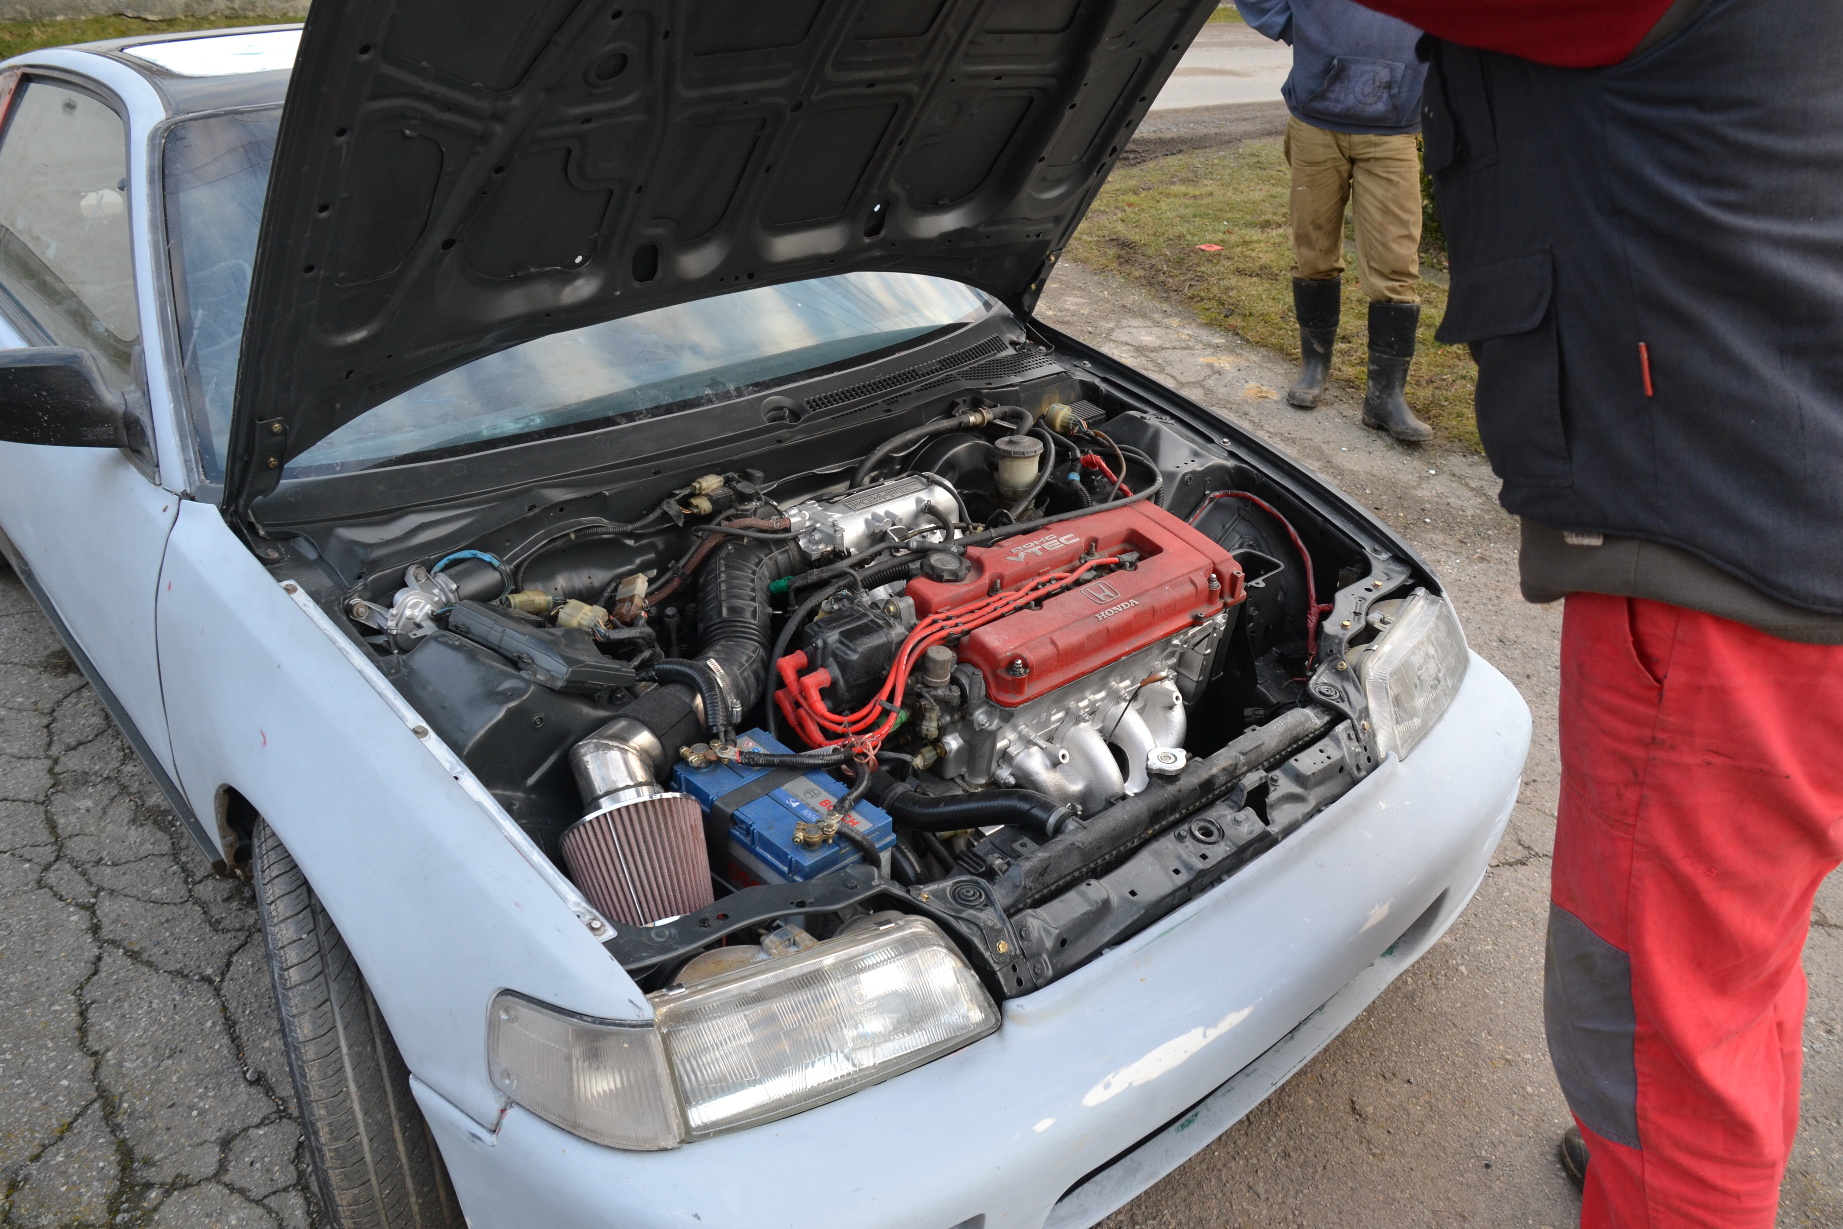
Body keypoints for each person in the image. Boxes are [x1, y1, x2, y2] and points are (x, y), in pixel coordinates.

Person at [1344, 0, 1843, 1225]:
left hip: (1726, 575)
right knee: (1724, 971)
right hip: (1786, 536)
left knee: (1651, 1044)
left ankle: (1669, 1178)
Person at [1233, 0, 1433, 441]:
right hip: (1315, 127)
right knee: (1314, 251)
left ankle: (1385, 397)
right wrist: (1295, 23)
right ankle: (1314, 367)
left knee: (1396, 265)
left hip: (1393, 131)